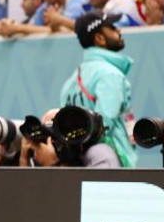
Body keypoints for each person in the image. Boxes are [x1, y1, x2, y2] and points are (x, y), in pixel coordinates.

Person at [59, 11, 138, 167]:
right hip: (109, 163)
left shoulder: (70, 82)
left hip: (77, 164)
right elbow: (104, 127)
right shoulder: (110, 75)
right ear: (100, 38)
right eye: (112, 27)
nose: (119, 30)